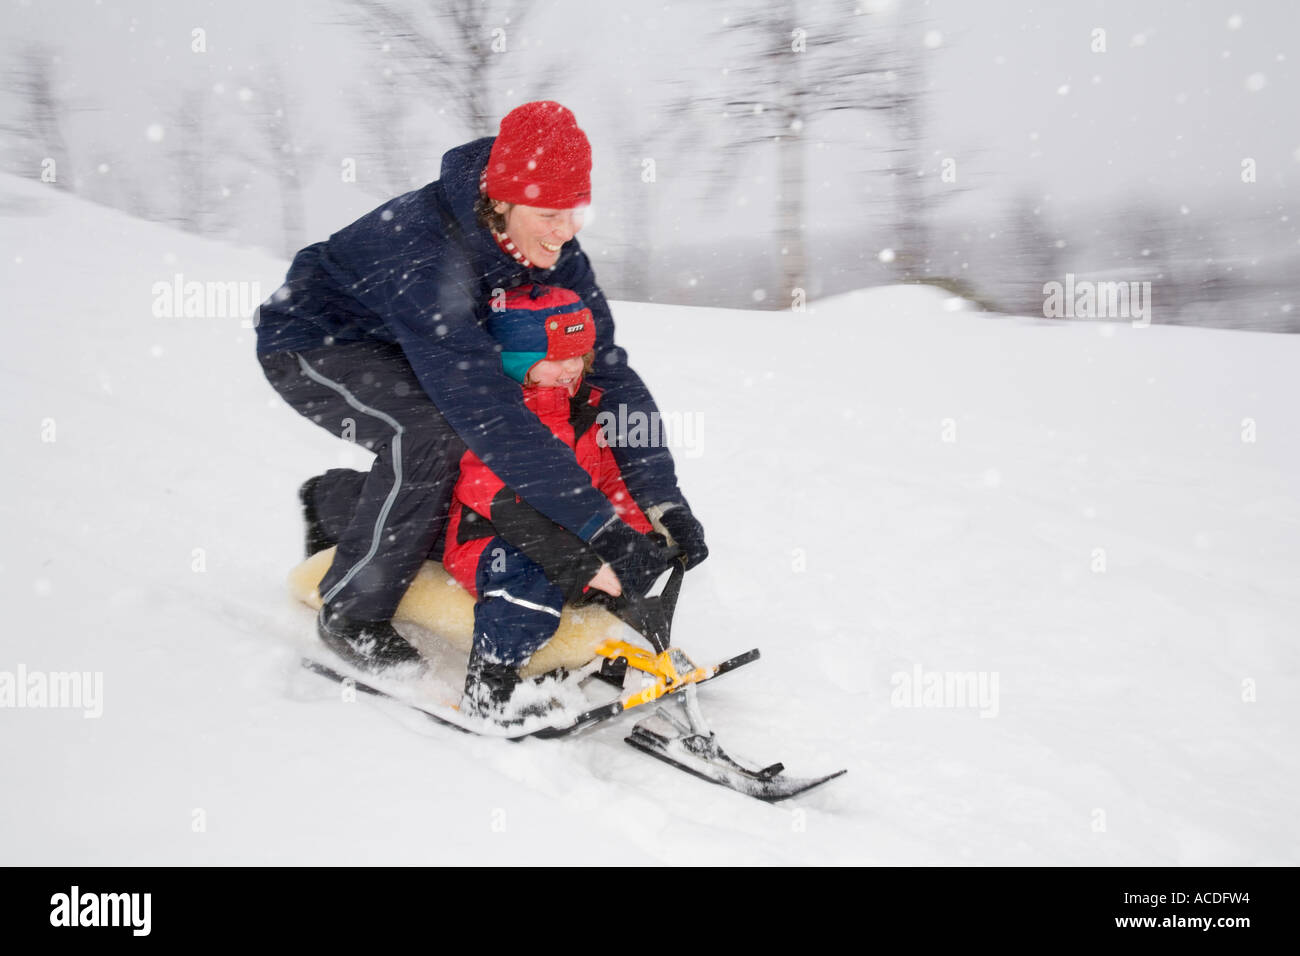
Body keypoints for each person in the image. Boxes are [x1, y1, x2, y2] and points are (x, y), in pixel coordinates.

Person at [254, 100, 708, 673]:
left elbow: (606, 371)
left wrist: (661, 497)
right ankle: (352, 609)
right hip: (317, 342)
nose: (565, 231)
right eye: (548, 214)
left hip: (417, 337)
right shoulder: (425, 254)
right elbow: (490, 418)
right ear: (501, 200)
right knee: (431, 437)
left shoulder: (552, 248)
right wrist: (599, 527)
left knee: (517, 422)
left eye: (575, 212)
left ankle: (339, 504)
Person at [444, 283, 660, 721]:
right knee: (528, 574)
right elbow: (502, 506)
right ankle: (491, 686)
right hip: (489, 541)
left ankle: (603, 650)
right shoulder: (490, 417)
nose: (570, 369)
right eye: (555, 358)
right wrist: (581, 562)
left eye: (579, 356)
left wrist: (640, 539)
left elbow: (612, 485)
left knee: (622, 563)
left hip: (570, 539)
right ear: (516, 363)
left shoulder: (585, 410)